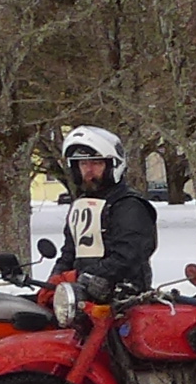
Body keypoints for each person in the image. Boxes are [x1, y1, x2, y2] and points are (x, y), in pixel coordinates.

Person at [56, 126, 157, 297]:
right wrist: (57, 278)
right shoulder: (81, 205)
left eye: (96, 163)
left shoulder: (129, 205)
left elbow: (129, 256)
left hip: (122, 297)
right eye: (83, 164)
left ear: (112, 166)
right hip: (81, 294)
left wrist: (86, 276)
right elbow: (69, 252)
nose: (89, 170)